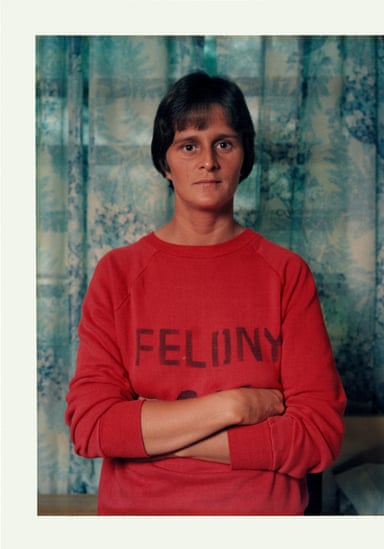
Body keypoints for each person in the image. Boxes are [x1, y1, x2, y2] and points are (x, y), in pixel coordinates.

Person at [65, 71, 347, 516]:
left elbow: (317, 436)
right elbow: (92, 426)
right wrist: (236, 405)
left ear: (244, 157)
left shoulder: (286, 274)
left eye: (224, 143)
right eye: (189, 145)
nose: (208, 161)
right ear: (165, 163)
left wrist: (157, 435)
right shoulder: (117, 274)